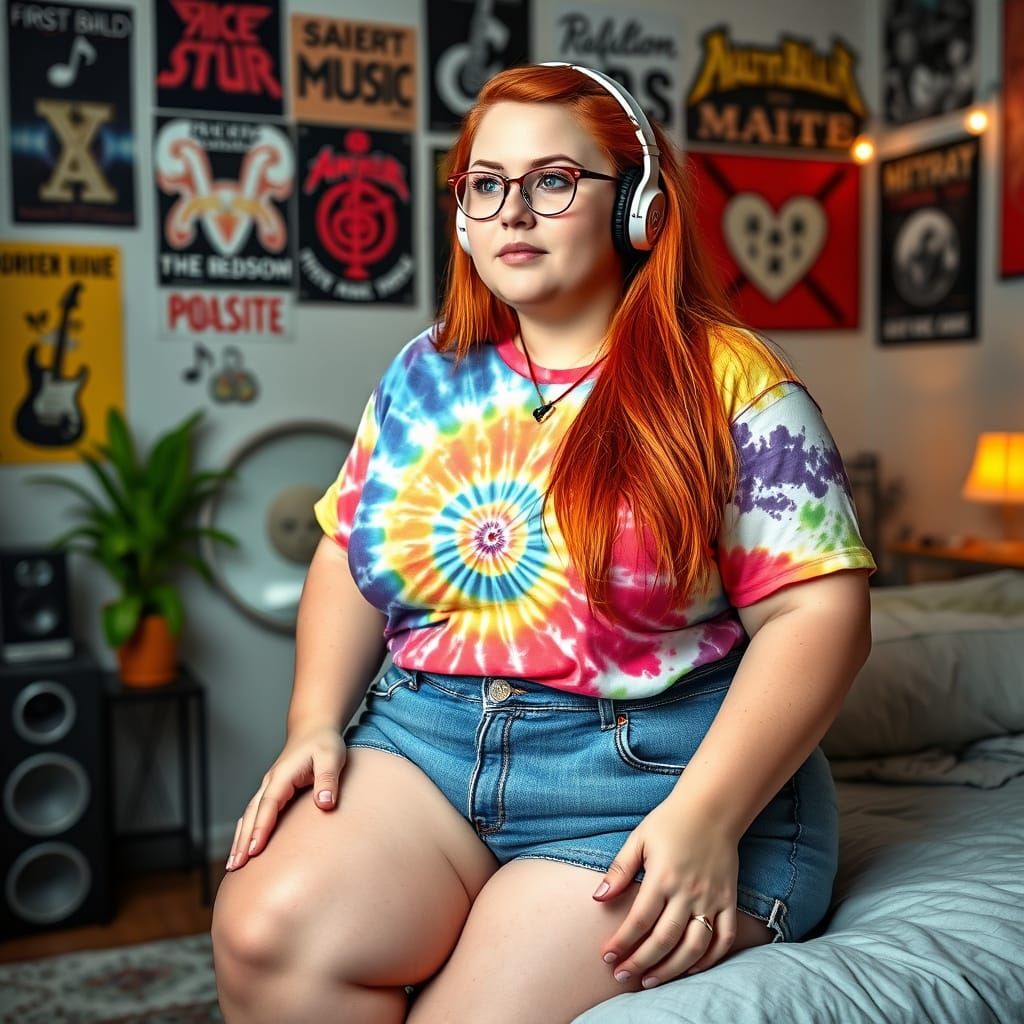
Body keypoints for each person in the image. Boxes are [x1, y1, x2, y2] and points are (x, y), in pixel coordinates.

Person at [211, 62, 876, 1023]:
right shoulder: (426, 371)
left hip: (656, 777)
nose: (513, 211)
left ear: (639, 207)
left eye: (553, 180)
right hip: (427, 747)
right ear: (461, 217)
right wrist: (313, 721)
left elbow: (820, 615)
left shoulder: (733, 381)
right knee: (265, 935)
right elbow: (342, 551)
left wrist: (707, 817)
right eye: (486, 185)